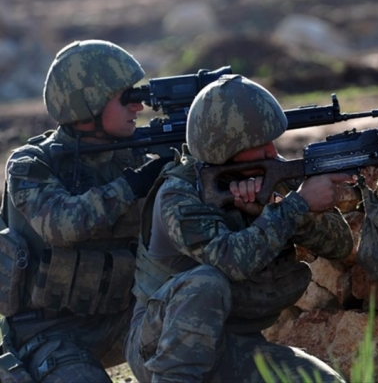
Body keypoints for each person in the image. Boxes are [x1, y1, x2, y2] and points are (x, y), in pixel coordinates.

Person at [124, 74, 354, 382]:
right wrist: (294, 206)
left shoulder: (266, 170)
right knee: (207, 282)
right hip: (161, 348)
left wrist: (273, 207)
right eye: (259, 145)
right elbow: (230, 261)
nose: (272, 152)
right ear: (223, 150)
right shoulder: (179, 194)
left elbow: (340, 244)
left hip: (232, 343)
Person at [0, 39, 169, 382]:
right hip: (50, 331)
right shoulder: (31, 164)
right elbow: (61, 224)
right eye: (125, 97)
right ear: (88, 103)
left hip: (126, 317)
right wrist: (133, 185)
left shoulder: (134, 155)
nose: (136, 107)